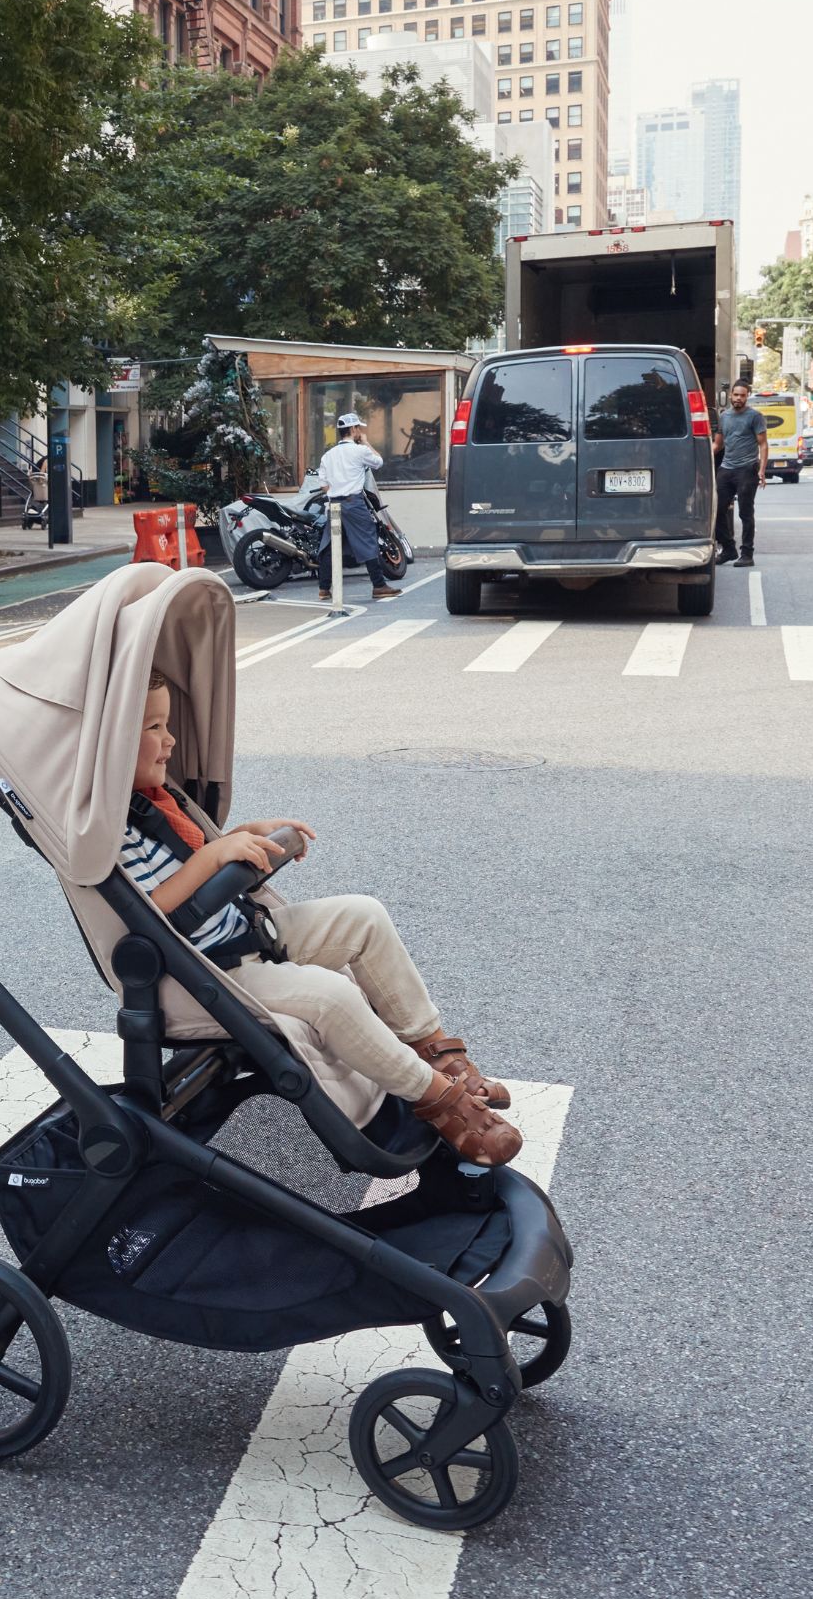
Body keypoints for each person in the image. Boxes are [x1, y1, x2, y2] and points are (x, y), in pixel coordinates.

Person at [127, 672, 521, 1166]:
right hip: (201, 972)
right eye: (154, 728)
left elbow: (198, 852)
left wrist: (248, 834)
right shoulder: (116, 832)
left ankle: (432, 1048)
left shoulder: (160, 801)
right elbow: (151, 910)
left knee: (364, 915)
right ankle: (437, 1098)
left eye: (167, 724)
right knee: (330, 995)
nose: (171, 740)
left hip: (239, 933)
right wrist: (215, 858)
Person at [314, 413, 399, 603]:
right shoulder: (360, 451)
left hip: (334, 503)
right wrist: (366, 443)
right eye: (359, 428)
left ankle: (324, 589)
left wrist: (336, 490)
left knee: (329, 544)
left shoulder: (328, 455)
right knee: (368, 540)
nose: (360, 431)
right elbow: (378, 462)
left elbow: (323, 485)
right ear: (353, 430)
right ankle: (379, 585)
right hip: (353, 502)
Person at [714, 379, 768, 568]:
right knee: (716, 510)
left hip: (747, 469)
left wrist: (761, 469)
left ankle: (747, 554)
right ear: (730, 395)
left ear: (747, 396)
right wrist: (698, 456)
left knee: (745, 513)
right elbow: (718, 444)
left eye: (742, 395)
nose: (738, 398)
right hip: (726, 469)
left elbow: (763, 443)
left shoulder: (755, 417)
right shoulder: (724, 417)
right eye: (736, 395)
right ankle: (728, 549)